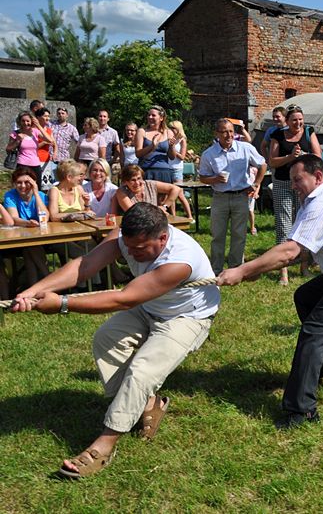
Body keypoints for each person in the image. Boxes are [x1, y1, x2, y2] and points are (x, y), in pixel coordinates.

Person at [10, 202, 220, 479]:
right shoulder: (128, 238)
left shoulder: (179, 261)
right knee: (106, 339)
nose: (129, 253)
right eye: (128, 246)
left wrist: (62, 304)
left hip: (185, 317)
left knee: (142, 371)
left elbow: (124, 299)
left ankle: (104, 445)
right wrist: (33, 291)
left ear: (163, 238)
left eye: (139, 249)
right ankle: (146, 404)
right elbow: (84, 266)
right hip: (150, 306)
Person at [217, 154, 323, 429]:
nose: (294, 185)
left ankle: (302, 412)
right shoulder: (315, 200)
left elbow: (291, 251)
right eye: (292, 180)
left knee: (314, 335)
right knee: (306, 296)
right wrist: (258, 269)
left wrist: (243, 270)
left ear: (318, 177)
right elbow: (300, 248)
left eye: (298, 179)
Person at [198, 118, 266, 275]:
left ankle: (235, 268)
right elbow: (203, 177)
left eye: (231, 131)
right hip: (220, 197)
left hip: (240, 196)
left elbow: (262, 164)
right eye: (224, 132)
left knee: (239, 234)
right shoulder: (209, 154)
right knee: (218, 234)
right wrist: (215, 179)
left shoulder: (245, 148)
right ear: (217, 134)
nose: (228, 135)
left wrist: (256, 184)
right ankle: (216, 269)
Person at [268, 105, 321, 285]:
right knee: (284, 225)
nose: (298, 123)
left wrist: (304, 157)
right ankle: (283, 272)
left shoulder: (309, 132)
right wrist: (290, 157)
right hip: (283, 182)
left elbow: (318, 157)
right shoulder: (277, 135)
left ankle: (304, 266)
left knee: (304, 225)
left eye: (300, 119)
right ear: (286, 121)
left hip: (304, 185)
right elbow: (272, 161)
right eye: (294, 120)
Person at [3, 167, 50, 287]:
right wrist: (28, 223)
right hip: (21, 238)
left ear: (33, 183)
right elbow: (14, 219)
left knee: (30, 248)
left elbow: (45, 216)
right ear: (14, 184)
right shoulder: (10, 196)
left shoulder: (40, 195)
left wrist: (35, 192)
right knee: (29, 247)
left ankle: (38, 285)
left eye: (27, 182)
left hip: (43, 237)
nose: (23, 186)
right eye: (19, 182)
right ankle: (47, 279)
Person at [113, 164, 181, 215]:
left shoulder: (150, 184)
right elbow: (132, 212)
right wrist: (157, 211)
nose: (137, 183)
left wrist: (165, 206)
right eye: (132, 180)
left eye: (139, 178)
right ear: (126, 182)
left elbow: (176, 189)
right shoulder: (122, 191)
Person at [135, 105, 176, 183]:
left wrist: (171, 147)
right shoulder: (142, 131)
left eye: (153, 115)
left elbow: (172, 157)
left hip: (164, 171)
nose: (150, 117)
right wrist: (152, 146)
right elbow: (138, 153)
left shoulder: (168, 132)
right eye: (148, 115)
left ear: (161, 118)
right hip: (146, 170)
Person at [7, 111, 47, 184]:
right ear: (19, 122)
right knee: (22, 187)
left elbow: (49, 140)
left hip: (36, 164)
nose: (25, 123)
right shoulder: (15, 133)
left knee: (37, 187)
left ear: (31, 121)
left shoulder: (35, 131)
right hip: (22, 164)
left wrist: (39, 126)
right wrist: (18, 141)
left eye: (28, 121)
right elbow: (8, 149)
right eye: (23, 121)